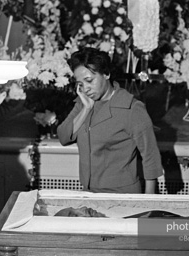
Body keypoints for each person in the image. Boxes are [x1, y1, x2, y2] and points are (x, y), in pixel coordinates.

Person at [57, 47, 163, 194]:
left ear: (106, 74)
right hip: (88, 193)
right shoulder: (83, 103)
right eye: (80, 84)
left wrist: (148, 205)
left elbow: (150, 157)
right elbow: (63, 137)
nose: (85, 88)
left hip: (122, 195)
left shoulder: (131, 108)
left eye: (89, 81)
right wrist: (86, 109)